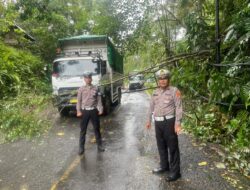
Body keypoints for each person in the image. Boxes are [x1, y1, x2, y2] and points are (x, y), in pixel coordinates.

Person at [146, 69, 182, 182]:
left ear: (168, 79)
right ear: (158, 80)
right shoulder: (155, 92)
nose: (162, 81)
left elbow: (179, 107)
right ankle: (164, 166)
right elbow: (151, 107)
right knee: (161, 146)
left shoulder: (174, 91)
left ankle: (175, 172)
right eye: (160, 79)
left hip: (169, 122)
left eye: (164, 78)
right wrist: (148, 121)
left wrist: (178, 124)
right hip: (158, 122)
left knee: (173, 148)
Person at [76, 72, 105, 155]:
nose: (88, 79)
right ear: (84, 79)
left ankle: (100, 146)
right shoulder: (81, 89)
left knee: (97, 129)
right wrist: (78, 111)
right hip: (84, 111)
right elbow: (78, 101)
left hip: (93, 111)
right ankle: (81, 148)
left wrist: (100, 109)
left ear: (91, 79)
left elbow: (99, 100)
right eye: (86, 78)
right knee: (83, 130)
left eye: (89, 78)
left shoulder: (96, 88)